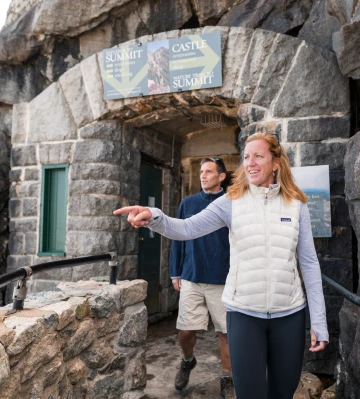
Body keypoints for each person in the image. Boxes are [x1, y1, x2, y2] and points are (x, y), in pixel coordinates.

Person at [114, 133, 328, 399]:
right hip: (243, 314)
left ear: (275, 163)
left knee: (282, 392)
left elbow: (308, 262)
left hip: (290, 314)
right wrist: (154, 217)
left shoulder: (296, 204)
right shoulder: (230, 202)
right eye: (246, 157)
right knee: (250, 393)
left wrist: (319, 319)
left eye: (258, 156)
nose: (250, 163)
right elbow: (187, 228)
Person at [169, 157, 234, 397]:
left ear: (221, 176)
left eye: (209, 172)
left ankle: (227, 376)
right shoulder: (188, 203)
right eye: (201, 172)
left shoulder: (232, 202)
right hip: (191, 276)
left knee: (225, 333)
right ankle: (187, 360)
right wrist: (175, 270)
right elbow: (177, 235)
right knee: (186, 331)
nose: (203, 176)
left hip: (223, 278)